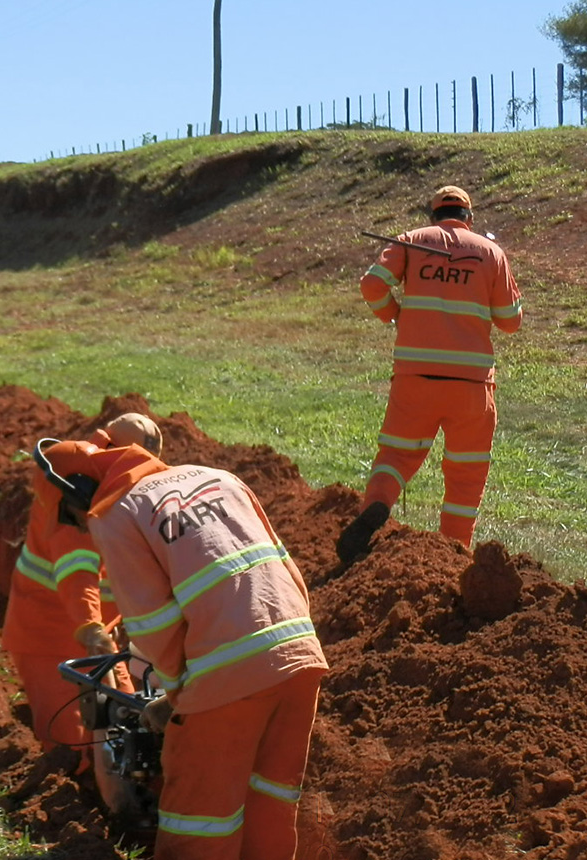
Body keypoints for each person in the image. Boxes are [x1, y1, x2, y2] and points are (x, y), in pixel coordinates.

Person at [33, 438, 328, 860]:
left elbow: (154, 624)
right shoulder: (219, 479)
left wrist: (174, 698)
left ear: (80, 490)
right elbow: (285, 568)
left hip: (227, 673)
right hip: (299, 654)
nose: (81, 528)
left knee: (198, 823)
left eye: (72, 517)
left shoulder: (116, 514)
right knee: (270, 802)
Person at [338, 185, 523, 562]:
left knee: (396, 457)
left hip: (415, 379)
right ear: (468, 217)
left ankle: (376, 507)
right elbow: (510, 322)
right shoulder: (491, 252)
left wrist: (395, 314)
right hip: (472, 387)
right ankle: (451, 557)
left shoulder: (410, 240)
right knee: (465, 476)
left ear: (433, 215)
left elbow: (372, 284)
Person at [1, 414, 163, 810]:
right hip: (47, 637)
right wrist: (92, 629)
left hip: (98, 633)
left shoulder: (97, 484)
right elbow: (79, 580)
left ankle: (132, 792)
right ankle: (76, 805)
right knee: (66, 738)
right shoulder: (74, 500)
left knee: (126, 710)